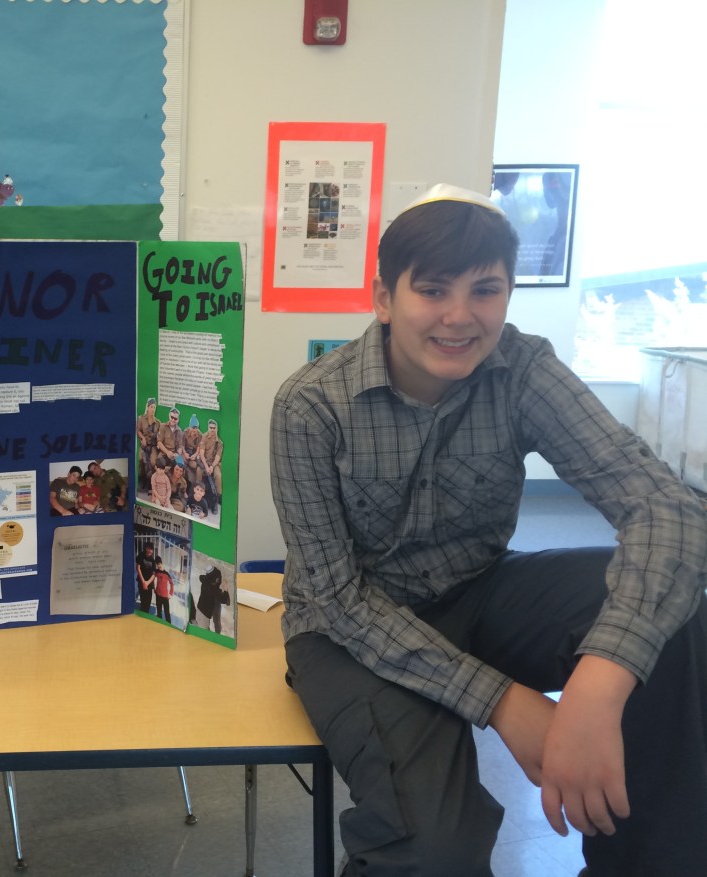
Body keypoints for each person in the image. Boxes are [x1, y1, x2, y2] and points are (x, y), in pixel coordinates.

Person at [270, 183, 707, 877]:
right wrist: (504, 702)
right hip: (350, 629)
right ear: (384, 298)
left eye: (485, 290)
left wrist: (599, 684)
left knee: (673, 611)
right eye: (432, 290)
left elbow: (668, 510)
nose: (459, 316)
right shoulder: (311, 405)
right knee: (434, 847)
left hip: (479, 592)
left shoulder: (523, 369)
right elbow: (337, 598)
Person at [135, 397, 160, 490]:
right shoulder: (141, 418)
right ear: (147, 407)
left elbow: (159, 436)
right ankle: (142, 478)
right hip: (144, 445)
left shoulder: (158, 422)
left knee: (153, 462)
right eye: (151, 407)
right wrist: (142, 438)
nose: (153, 409)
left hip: (153, 446)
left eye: (154, 407)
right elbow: (138, 430)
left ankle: (151, 481)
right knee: (140, 459)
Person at [199, 419, 224, 509]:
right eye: (211, 428)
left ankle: (218, 496)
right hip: (204, 462)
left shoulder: (219, 443)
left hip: (214, 464)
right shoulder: (204, 437)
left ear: (217, 429)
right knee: (198, 471)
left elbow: (217, 457)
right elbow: (201, 454)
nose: (212, 430)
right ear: (208, 428)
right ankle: (197, 493)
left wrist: (212, 467)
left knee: (218, 476)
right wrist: (206, 466)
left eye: (214, 428)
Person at [136, 542, 156, 614]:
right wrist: (144, 582)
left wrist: (147, 583)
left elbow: (153, 574)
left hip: (149, 584)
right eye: (148, 548)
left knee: (148, 603)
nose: (149, 550)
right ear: (145, 548)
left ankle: (145, 615)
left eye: (151, 549)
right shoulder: (141, 556)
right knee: (143, 602)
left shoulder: (153, 560)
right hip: (141, 582)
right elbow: (138, 568)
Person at [153, 557, 174, 622]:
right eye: (157, 564)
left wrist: (170, 594)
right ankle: (159, 623)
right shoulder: (156, 572)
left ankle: (169, 624)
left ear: (162, 564)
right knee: (159, 612)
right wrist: (154, 589)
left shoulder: (166, 574)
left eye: (159, 564)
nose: (158, 566)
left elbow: (172, 584)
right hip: (158, 595)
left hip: (165, 596)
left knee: (167, 613)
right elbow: (153, 579)